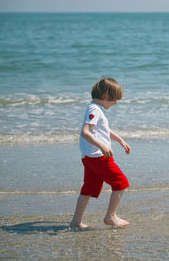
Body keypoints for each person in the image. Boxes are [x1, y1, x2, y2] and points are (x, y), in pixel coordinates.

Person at [70, 77, 131, 230]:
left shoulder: (95, 108)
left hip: (89, 157)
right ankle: (110, 217)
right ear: (105, 96)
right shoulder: (94, 109)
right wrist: (102, 146)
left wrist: (120, 140)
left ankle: (76, 222)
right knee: (121, 183)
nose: (116, 103)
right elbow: (85, 132)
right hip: (98, 156)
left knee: (88, 189)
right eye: (114, 100)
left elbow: (104, 130)